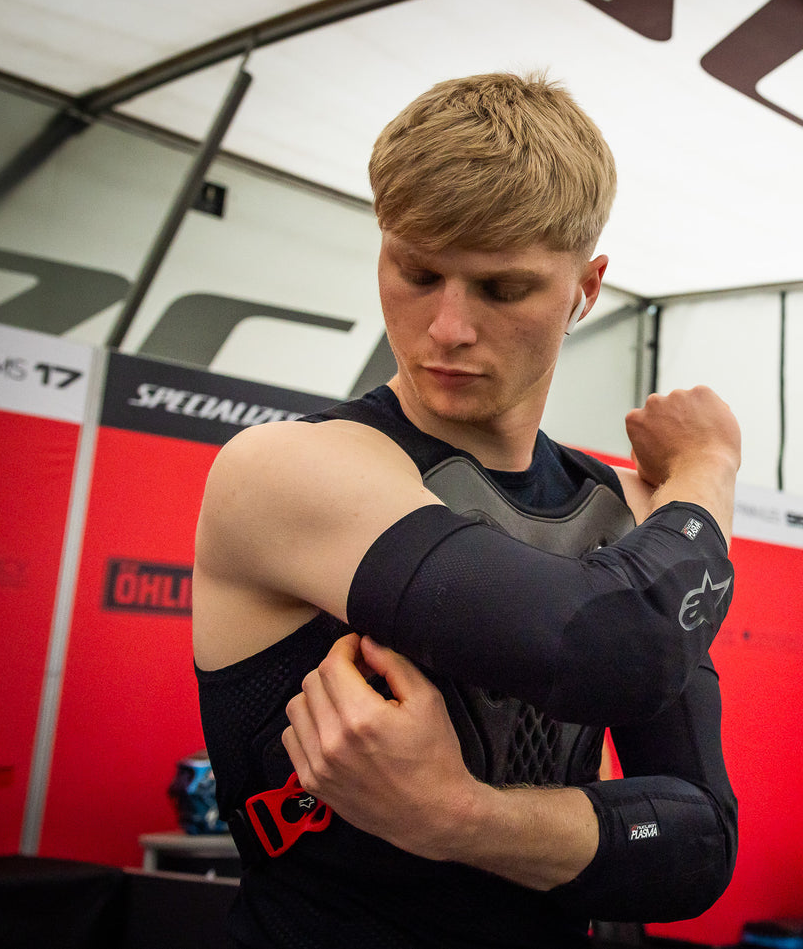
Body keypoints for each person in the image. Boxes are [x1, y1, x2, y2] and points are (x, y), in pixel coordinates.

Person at [192, 71, 741, 948]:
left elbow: (698, 843)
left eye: (501, 288)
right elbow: (611, 646)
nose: (446, 327)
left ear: (585, 289)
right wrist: (708, 467)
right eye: (417, 271)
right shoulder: (287, 469)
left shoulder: (619, 511)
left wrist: (461, 816)